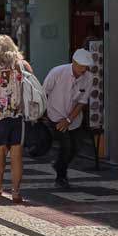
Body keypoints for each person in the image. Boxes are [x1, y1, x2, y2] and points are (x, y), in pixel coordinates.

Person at [0, 35, 33, 203]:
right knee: (17, 154)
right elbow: (32, 88)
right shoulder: (23, 66)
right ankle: (16, 192)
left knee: (0, 151)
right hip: (18, 115)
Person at [41, 48, 97, 189]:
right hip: (55, 114)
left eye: (85, 67)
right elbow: (43, 93)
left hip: (74, 118)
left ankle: (59, 165)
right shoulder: (57, 72)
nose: (83, 69)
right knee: (66, 146)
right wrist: (41, 114)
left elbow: (82, 102)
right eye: (80, 66)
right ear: (73, 62)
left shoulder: (89, 78)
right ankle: (61, 177)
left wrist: (69, 120)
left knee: (76, 147)